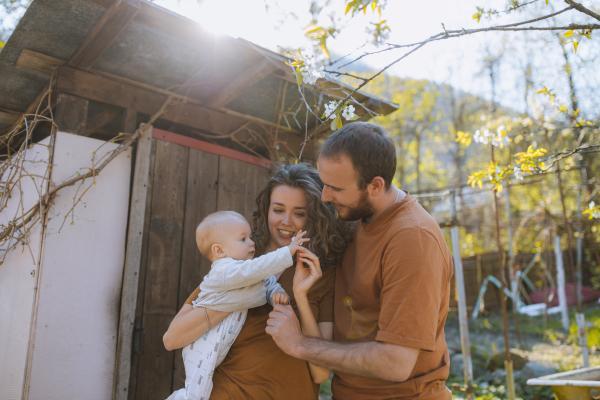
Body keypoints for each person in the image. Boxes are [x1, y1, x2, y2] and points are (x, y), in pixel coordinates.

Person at [266, 122, 453, 400]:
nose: (325, 196)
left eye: (335, 188)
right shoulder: (353, 219)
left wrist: (299, 344)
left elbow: (395, 362)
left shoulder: (412, 239)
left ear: (375, 186)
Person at [163, 163, 349, 399]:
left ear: (314, 216)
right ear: (266, 209)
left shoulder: (319, 273)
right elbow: (172, 338)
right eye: (278, 210)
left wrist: (300, 300)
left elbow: (321, 374)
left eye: (299, 213)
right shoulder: (240, 260)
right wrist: (239, 299)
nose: (286, 221)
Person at [167, 210, 307, 400]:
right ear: (219, 251)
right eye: (243, 239)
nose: (251, 243)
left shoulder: (244, 269)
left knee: (204, 385)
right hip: (204, 340)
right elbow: (256, 270)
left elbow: (265, 280)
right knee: (196, 391)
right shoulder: (224, 271)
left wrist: (276, 294)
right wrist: (288, 251)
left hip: (223, 340)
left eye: (250, 237)